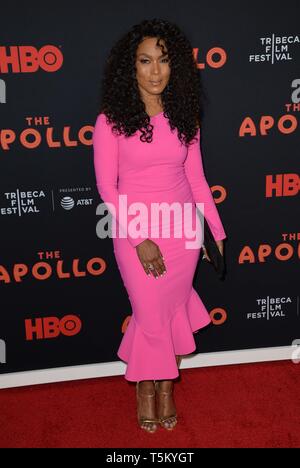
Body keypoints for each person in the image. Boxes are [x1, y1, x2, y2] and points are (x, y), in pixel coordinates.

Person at [92, 18, 227, 433]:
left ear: (176, 67)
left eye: (164, 61)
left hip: (182, 231)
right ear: (129, 67)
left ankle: (166, 386)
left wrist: (215, 234)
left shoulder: (185, 117)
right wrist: (138, 239)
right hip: (138, 234)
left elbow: (198, 180)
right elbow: (107, 189)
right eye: (145, 61)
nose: (155, 72)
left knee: (171, 312)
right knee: (149, 316)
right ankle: (144, 388)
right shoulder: (110, 121)